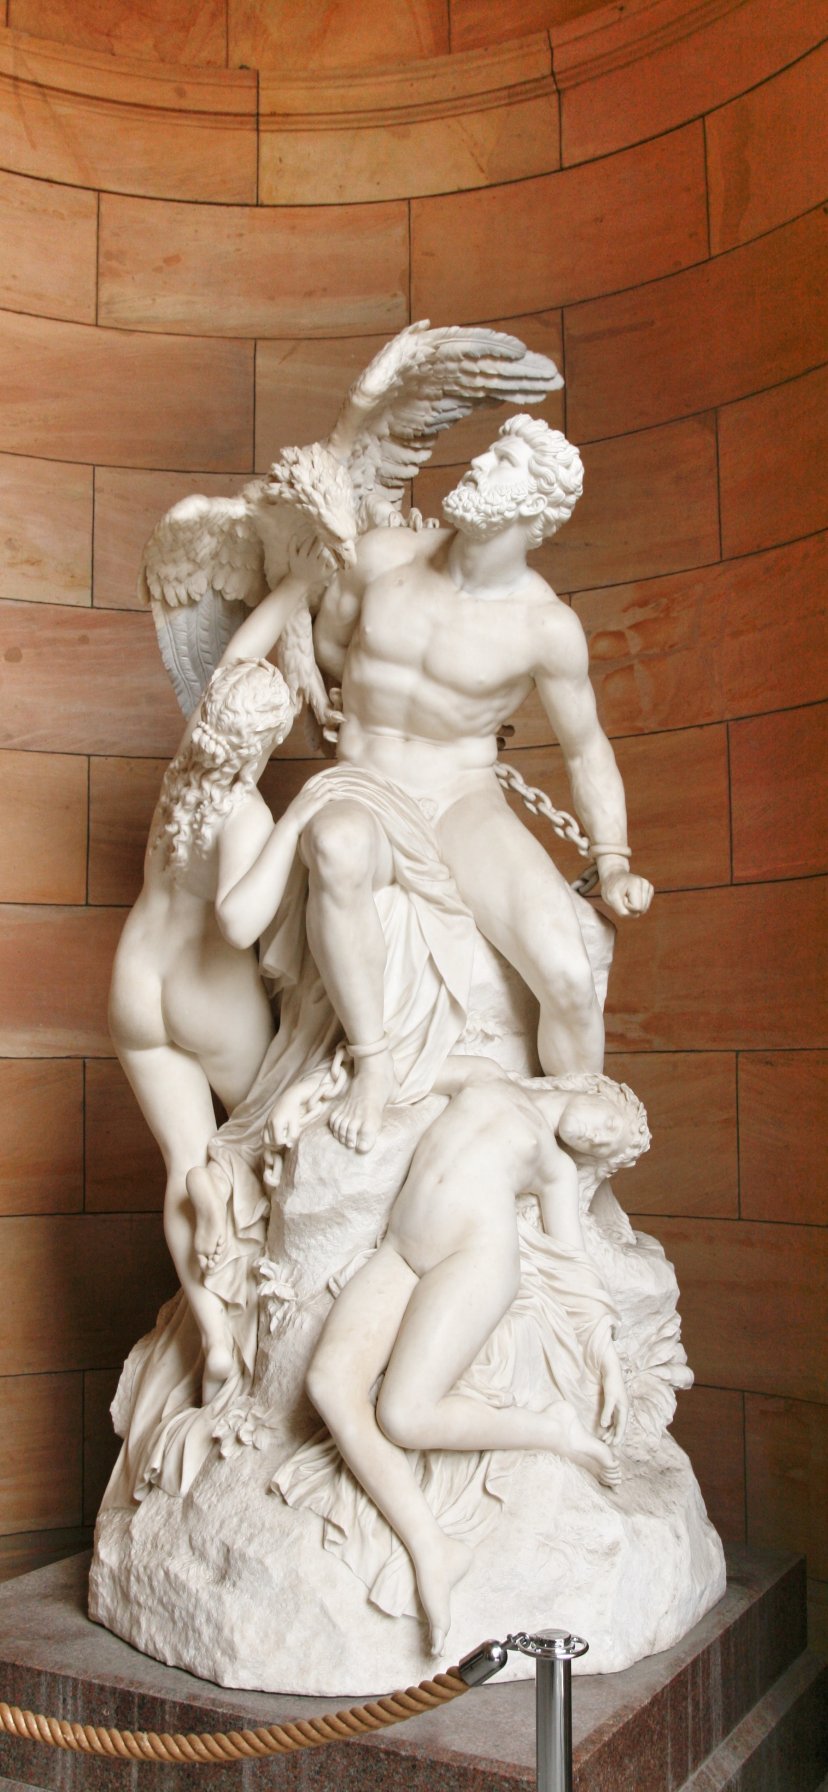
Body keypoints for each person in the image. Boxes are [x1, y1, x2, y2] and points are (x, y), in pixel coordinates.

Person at [222, 415, 653, 1155]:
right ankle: (374, 1066)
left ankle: (573, 1170)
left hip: (461, 798)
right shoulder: (382, 558)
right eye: (491, 449)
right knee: (337, 846)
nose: (481, 462)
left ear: (536, 508)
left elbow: (586, 750)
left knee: (568, 976)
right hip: (365, 780)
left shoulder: (545, 627)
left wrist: (611, 858)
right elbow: (328, 648)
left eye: (505, 460)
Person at [284, 1056, 649, 1652]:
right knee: (328, 1382)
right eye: (615, 1120)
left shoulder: (556, 1169)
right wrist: (307, 1089)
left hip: (475, 1258)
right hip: (402, 1249)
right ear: (595, 1088)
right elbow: (399, 1074)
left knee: (403, 1415)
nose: (602, 1137)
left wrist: (606, 1352)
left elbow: (576, 1265)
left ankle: (552, 1431)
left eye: (610, 1147)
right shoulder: (486, 1075)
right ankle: (433, 1546)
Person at [109, 658, 328, 1400]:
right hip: (210, 996)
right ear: (266, 740)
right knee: (264, 1144)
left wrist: (293, 601)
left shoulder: (182, 773)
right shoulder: (246, 813)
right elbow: (237, 923)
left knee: (182, 1161)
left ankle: (214, 1338)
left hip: (137, 981)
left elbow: (237, 665)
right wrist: (294, 820)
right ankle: (262, 1297)